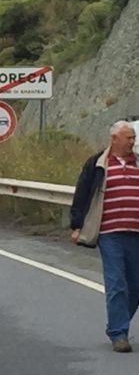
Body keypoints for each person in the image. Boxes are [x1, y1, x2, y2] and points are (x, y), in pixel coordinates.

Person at [70, 121, 139, 353]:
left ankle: (117, 324)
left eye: (133, 138)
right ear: (114, 139)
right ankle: (119, 334)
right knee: (117, 283)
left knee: (136, 285)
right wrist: (77, 225)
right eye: (128, 138)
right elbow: (82, 193)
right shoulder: (98, 164)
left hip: (136, 232)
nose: (132, 142)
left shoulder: (138, 163)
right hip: (109, 233)